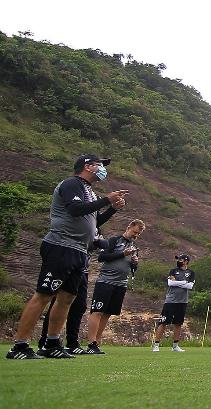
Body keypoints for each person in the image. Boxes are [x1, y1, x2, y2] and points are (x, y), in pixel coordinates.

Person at [8, 154, 126, 360]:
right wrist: (106, 199)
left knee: (67, 298)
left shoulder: (89, 191)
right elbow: (75, 209)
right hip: (61, 245)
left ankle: (52, 343)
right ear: (88, 166)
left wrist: (113, 209)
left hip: (80, 250)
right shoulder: (71, 184)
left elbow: (94, 220)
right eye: (99, 165)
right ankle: (20, 345)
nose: (102, 169)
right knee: (44, 294)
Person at [37, 232, 106, 355]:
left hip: (82, 269)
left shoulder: (93, 226)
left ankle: (72, 343)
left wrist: (98, 243)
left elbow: (102, 244)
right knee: (56, 302)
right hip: (66, 261)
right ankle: (45, 341)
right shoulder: (80, 222)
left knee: (79, 306)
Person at [83, 219, 145, 354]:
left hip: (121, 283)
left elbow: (132, 269)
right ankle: (91, 342)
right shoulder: (114, 240)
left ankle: (97, 342)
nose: (136, 235)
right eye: (135, 232)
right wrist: (123, 254)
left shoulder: (134, 247)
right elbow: (102, 257)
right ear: (129, 227)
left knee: (108, 313)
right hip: (106, 281)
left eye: (138, 234)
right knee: (97, 311)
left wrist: (135, 263)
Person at [153, 253, 196, 352]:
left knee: (178, 323)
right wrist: (184, 282)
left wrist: (178, 283)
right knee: (163, 322)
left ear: (186, 261)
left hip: (183, 301)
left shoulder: (191, 272)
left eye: (180, 260)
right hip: (170, 301)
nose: (178, 261)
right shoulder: (173, 271)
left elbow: (190, 286)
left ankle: (175, 346)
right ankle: (156, 345)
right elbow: (170, 283)